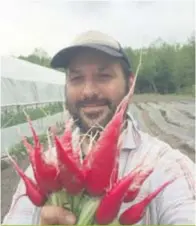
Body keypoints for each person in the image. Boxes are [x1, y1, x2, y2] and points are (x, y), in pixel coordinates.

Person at [3, 30, 195, 225]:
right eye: (76, 78)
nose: (88, 92)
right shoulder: (44, 164)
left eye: (103, 76)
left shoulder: (167, 166)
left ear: (129, 83)